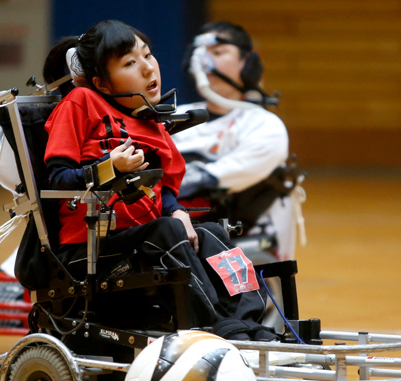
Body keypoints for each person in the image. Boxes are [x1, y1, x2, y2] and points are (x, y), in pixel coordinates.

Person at [40, 20, 277, 341]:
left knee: (212, 232)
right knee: (167, 230)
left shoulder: (151, 120)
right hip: (91, 248)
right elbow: (59, 178)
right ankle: (214, 326)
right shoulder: (82, 102)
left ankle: (249, 322)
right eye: (130, 63)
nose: (148, 68)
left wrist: (176, 209)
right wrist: (110, 167)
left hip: (146, 239)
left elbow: (162, 189)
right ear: (103, 84)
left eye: (148, 56)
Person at [172, 21, 304, 261]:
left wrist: (196, 177)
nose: (205, 61)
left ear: (246, 63)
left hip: (235, 230)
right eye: (199, 54)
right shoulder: (175, 117)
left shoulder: (263, 124)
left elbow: (235, 170)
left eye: (218, 52)